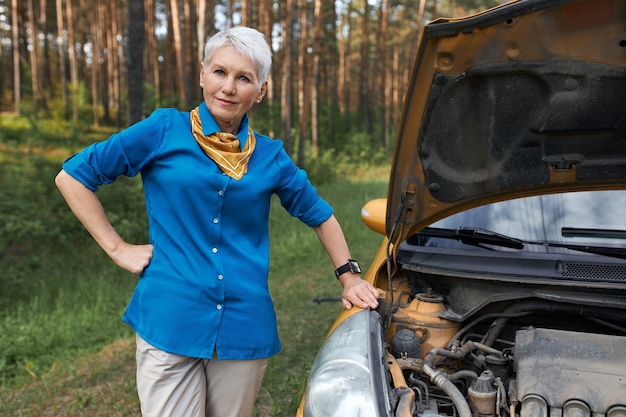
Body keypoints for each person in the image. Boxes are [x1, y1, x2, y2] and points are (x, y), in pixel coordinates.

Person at [55, 26, 380, 417]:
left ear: (260, 90)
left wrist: (349, 276)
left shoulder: (271, 157)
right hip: (170, 317)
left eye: (243, 78)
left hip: (245, 325)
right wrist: (117, 247)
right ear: (202, 75)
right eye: (220, 72)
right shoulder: (163, 130)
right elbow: (73, 176)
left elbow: (320, 215)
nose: (228, 87)